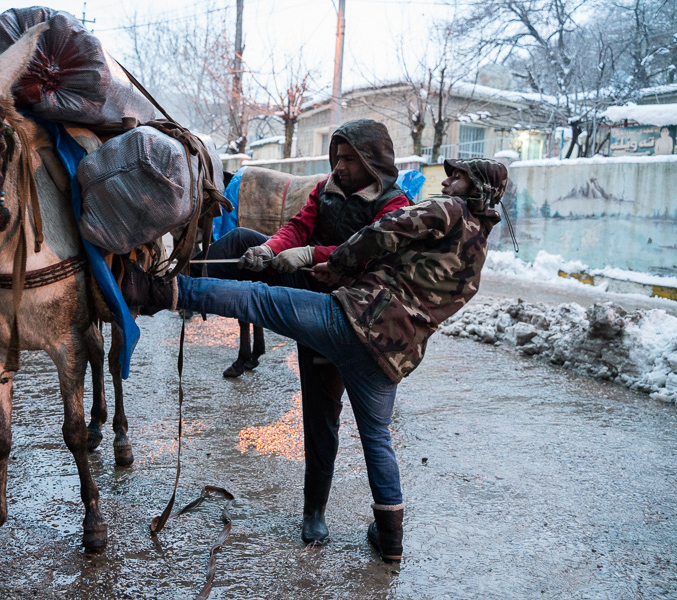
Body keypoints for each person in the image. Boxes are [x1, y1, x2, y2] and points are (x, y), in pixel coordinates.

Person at [122, 157, 509, 561]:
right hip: (393, 356)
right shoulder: (477, 252)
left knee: (259, 300)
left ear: (478, 188)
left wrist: (331, 262)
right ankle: (391, 541)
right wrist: (280, 249)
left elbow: (383, 232)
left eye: (458, 176)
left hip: (353, 320)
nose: (447, 181)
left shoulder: (446, 209)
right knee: (377, 440)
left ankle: (152, 291)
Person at [189, 120, 410, 546]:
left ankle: (315, 510)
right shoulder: (327, 189)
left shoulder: (394, 206)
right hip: (308, 287)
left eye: (349, 159)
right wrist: (270, 249)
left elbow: (366, 252)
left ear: (371, 161)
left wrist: (310, 253)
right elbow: (299, 224)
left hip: (348, 318)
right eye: (338, 157)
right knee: (239, 240)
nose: (340, 166)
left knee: (322, 415)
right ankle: (174, 283)